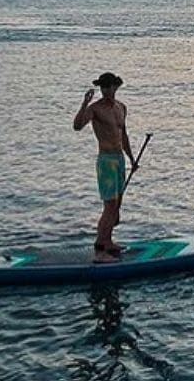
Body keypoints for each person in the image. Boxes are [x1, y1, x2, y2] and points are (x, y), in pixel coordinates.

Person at [73, 72, 138, 263]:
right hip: (106, 160)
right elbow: (77, 126)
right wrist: (84, 103)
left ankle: (108, 241)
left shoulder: (121, 107)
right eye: (103, 87)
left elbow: (123, 136)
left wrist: (132, 160)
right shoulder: (96, 109)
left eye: (109, 86)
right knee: (109, 204)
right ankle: (100, 247)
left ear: (116, 87)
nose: (106, 90)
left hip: (119, 159)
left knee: (117, 204)